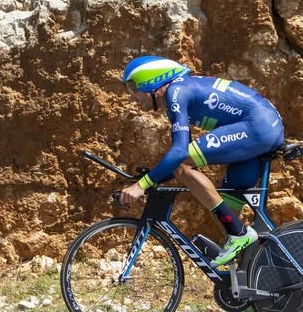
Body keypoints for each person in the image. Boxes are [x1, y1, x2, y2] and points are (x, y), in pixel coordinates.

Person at [119, 56, 284, 268]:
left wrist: (142, 185)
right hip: (260, 127)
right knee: (226, 209)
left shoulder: (175, 93)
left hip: (258, 126)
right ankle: (253, 282)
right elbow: (180, 161)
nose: (132, 98)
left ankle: (239, 234)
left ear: (151, 83)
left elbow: (180, 155)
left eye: (133, 88)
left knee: (183, 165)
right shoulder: (180, 91)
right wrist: (151, 179)